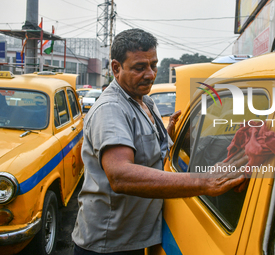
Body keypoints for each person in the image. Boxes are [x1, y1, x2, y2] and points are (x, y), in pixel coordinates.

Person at [72, 28, 248, 255]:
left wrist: (169, 138)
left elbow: (149, 155)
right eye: (139, 67)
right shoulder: (111, 109)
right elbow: (120, 175)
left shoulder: (146, 103)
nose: (150, 74)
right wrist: (204, 181)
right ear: (116, 68)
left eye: (153, 65)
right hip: (109, 244)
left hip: (135, 238)